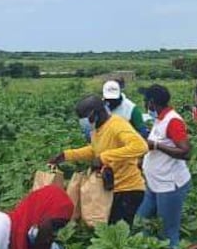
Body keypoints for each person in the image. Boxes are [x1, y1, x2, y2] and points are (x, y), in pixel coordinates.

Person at [51, 95, 148, 226]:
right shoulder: (98, 128)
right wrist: (66, 155)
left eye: (83, 118)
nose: (82, 122)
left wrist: (104, 158)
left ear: (93, 114)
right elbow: (94, 150)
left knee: (118, 233)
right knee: (108, 228)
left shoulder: (117, 125)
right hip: (112, 187)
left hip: (128, 190)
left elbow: (140, 146)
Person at [136, 84, 192, 249]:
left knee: (168, 233)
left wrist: (155, 146)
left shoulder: (173, 121)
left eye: (145, 101)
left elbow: (186, 152)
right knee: (140, 222)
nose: (144, 104)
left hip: (169, 185)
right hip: (155, 184)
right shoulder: (160, 118)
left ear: (152, 102)